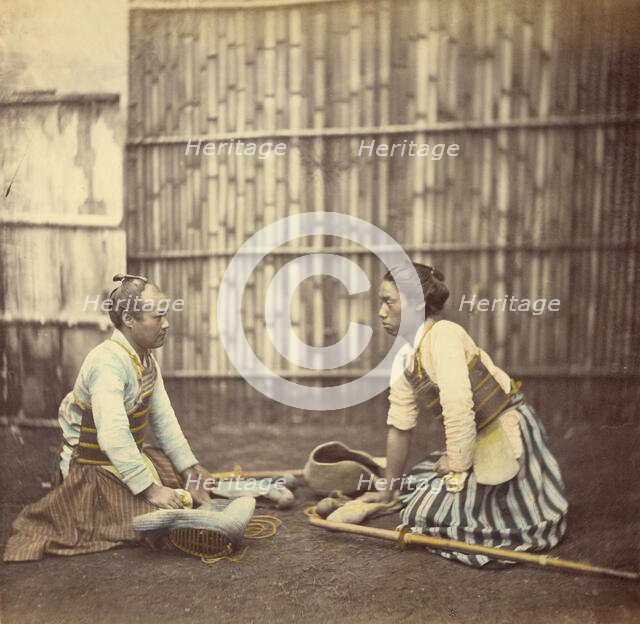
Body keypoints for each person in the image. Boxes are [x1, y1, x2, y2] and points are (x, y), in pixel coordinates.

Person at [359, 262, 568, 567]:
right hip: (474, 434)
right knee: (414, 485)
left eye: (388, 302)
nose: (380, 312)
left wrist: (457, 463)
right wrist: (387, 490)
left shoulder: (444, 336)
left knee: (425, 512)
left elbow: (458, 407)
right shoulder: (404, 356)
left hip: (504, 431)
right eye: (381, 302)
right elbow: (400, 425)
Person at [4, 274, 212, 562]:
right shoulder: (107, 362)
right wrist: (151, 489)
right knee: (160, 516)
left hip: (125, 459)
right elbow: (112, 435)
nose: (166, 324)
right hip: (92, 468)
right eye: (157, 317)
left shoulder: (146, 358)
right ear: (129, 319)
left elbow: (164, 419)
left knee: (188, 487)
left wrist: (189, 469)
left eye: (166, 315)